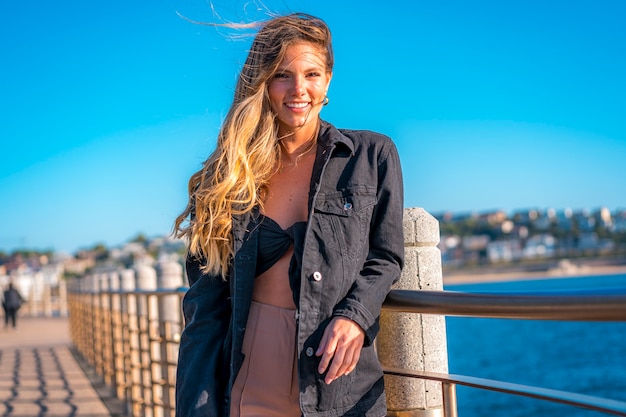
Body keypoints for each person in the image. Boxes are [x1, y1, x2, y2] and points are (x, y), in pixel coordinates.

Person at [173, 13, 404, 417]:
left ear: (329, 79)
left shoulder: (371, 156)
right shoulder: (228, 176)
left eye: (312, 74)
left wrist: (355, 316)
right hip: (248, 373)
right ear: (263, 83)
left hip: (336, 382)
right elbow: (205, 308)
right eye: (282, 75)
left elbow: (385, 257)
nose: (299, 90)